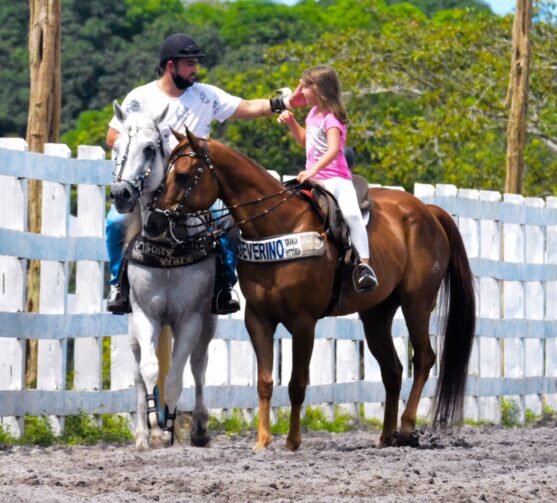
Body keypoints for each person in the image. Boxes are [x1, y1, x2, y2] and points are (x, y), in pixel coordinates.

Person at [106, 33, 303, 314]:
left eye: (196, 63)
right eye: (189, 64)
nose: (195, 69)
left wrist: (282, 103)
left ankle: (225, 287)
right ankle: (118, 285)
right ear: (171, 66)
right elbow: (113, 137)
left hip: (194, 185)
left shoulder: (206, 95)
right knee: (115, 222)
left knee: (229, 223)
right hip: (150, 189)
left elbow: (247, 107)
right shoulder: (140, 97)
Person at [277, 65, 378, 292]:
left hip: (336, 179)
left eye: (306, 86)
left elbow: (333, 151)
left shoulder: (332, 118)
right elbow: (306, 141)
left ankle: (364, 265)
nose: (301, 91)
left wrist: (312, 171)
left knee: (351, 214)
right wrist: (292, 123)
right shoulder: (313, 114)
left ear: (320, 89)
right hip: (315, 179)